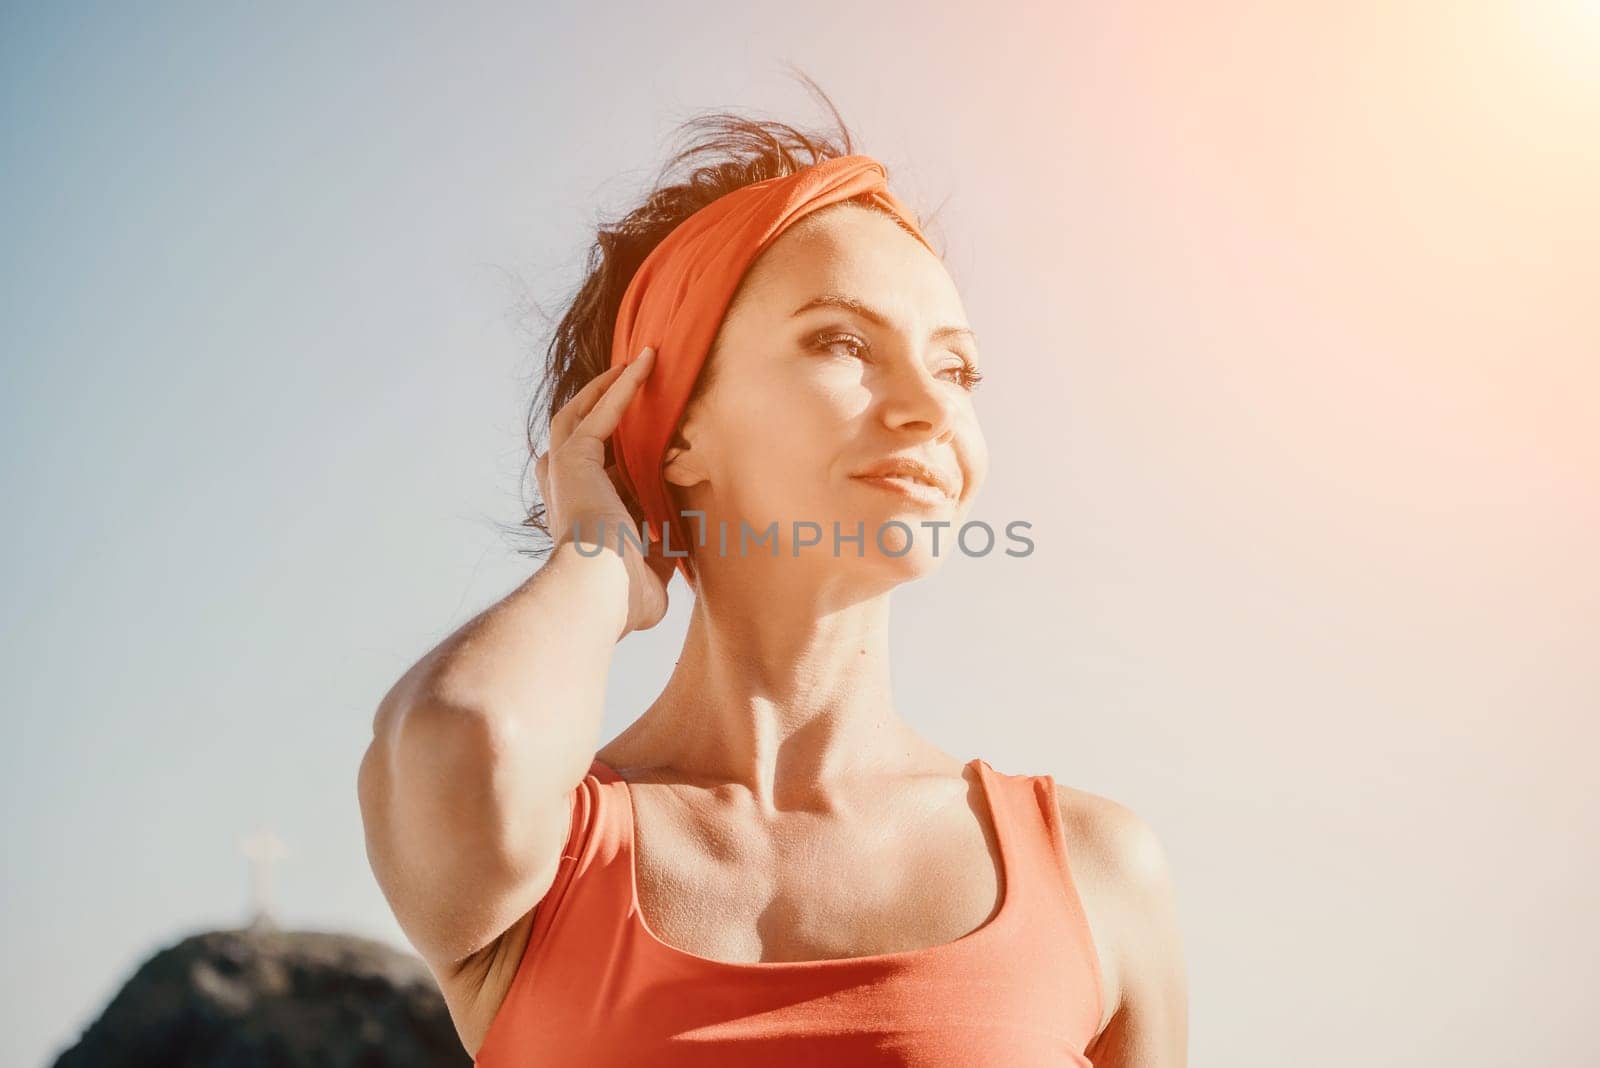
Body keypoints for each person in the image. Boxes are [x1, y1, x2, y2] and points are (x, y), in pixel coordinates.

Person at [358, 87, 1187, 1067]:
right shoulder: (549, 857)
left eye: (957, 369)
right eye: (843, 342)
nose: (928, 406)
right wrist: (597, 556)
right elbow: (470, 738)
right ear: (679, 429)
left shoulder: (1095, 871)